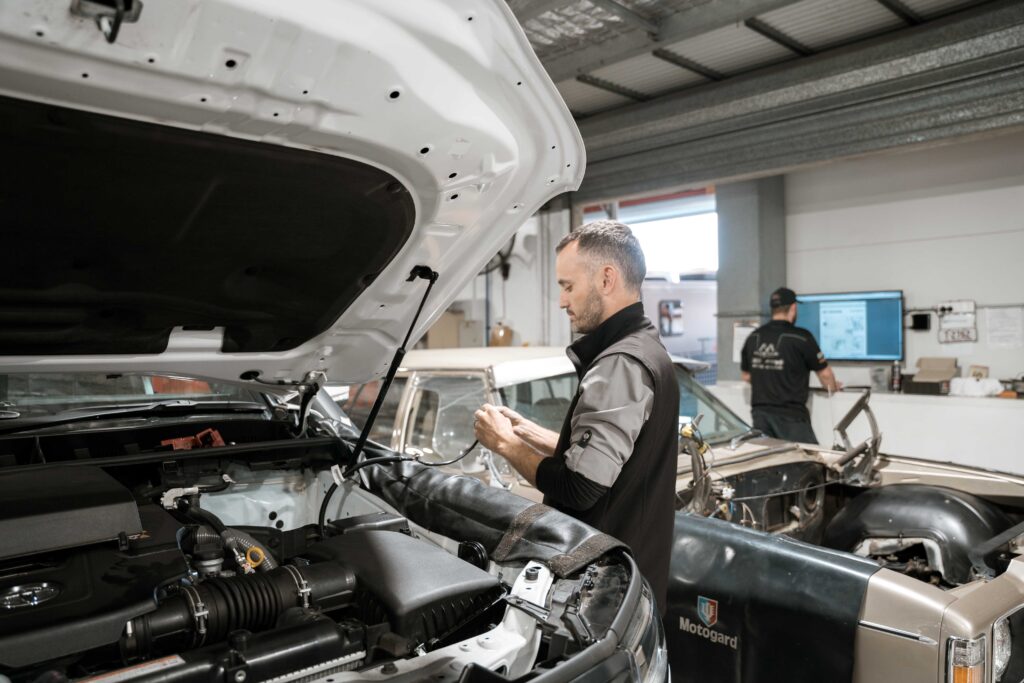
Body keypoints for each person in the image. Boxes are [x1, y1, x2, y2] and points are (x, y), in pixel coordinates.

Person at [473, 220, 679, 613]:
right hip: (632, 585)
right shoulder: (648, 348)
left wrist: (504, 444)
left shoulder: (620, 363)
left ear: (606, 279)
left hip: (601, 593)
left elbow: (579, 487)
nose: (562, 301)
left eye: (568, 286)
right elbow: (618, 461)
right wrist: (528, 432)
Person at [740, 287, 841, 443]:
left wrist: (769, 378)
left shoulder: (754, 337)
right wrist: (833, 386)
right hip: (791, 417)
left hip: (760, 415)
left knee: (770, 460)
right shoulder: (801, 337)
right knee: (809, 461)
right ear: (793, 308)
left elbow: (746, 376)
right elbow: (825, 375)